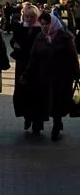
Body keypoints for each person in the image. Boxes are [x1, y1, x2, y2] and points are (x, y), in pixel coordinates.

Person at [22, 11, 80, 139]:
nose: (44, 26)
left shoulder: (65, 37)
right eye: (42, 24)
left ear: (52, 23)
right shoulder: (40, 38)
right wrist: (26, 74)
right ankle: (55, 122)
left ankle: (56, 124)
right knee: (49, 100)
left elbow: (73, 56)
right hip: (44, 75)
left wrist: (76, 73)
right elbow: (33, 58)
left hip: (62, 76)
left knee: (58, 101)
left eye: (46, 24)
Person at [10, 3, 42, 130]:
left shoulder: (40, 29)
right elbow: (13, 41)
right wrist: (15, 45)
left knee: (37, 93)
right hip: (23, 65)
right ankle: (27, 117)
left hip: (37, 67)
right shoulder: (20, 28)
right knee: (24, 92)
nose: (29, 19)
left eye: (32, 17)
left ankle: (37, 121)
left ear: (36, 17)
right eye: (27, 16)